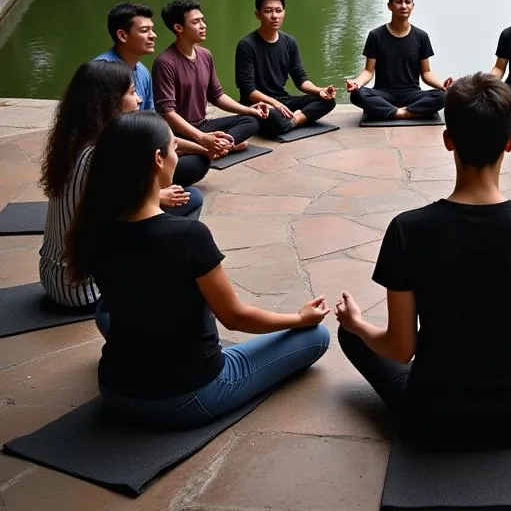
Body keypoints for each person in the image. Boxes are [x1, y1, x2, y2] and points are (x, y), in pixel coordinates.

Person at [335, 73, 511, 451]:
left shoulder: (407, 229)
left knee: (350, 335)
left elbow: (401, 349)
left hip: (428, 416)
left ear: (448, 140)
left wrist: (356, 324)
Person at [63, 112, 330, 427]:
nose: (178, 156)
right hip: (188, 396)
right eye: (175, 149)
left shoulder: (94, 227)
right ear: (158, 159)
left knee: (109, 311)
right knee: (317, 336)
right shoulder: (188, 236)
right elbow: (235, 317)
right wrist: (300, 318)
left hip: (114, 389)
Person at [39, 61, 202, 310]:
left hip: (54, 274)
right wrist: (156, 198)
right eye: (132, 93)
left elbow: (107, 205)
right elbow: (121, 215)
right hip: (84, 287)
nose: (138, 100)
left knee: (180, 194)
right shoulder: (99, 155)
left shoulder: (73, 141)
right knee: (189, 202)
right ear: (110, 100)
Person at [153, 0, 269, 186]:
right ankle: (211, 148)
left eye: (203, 20)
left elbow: (217, 96)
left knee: (251, 121)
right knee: (197, 166)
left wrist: (249, 110)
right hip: (180, 134)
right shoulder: (165, 63)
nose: (203, 25)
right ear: (178, 27)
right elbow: (168, 112)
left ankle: (218, 147)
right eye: (195, 22)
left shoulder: (205, 55)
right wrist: (202, 138)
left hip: (203, 125)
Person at [235, 0, 337, 139]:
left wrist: (319, 90)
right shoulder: (247, 45)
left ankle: (293, 121)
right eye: (268, 11)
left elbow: (300, 79)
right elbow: (248, 90)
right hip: (259, 104)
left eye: (279, 11)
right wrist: (273, 103)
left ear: (284, 13)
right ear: (258, 15)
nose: (274, 16)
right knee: (274, 119)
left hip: (283, 100)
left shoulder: (289, 42)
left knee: (328, 101)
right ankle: (292, 121)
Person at [347, 0, 452, 120]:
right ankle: (407, 113)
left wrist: (443, 86)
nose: (403, 6)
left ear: (413, 6)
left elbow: (426, 73)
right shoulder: (376, 35)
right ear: (390, 6)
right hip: (383, 94)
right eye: (398, 2)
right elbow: (368, 71)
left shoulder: (421, 36)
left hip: (412, 94)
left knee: (444, 95)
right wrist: (357, 83)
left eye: (407, 2)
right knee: (357, 94)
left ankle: (394, 112)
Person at [93, 2, 158, 110]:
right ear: (123, 35)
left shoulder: (143, 71)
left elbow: (149, 114)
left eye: (152, 30)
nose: (153, 36)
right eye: (144, 30)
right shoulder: (101, 73)